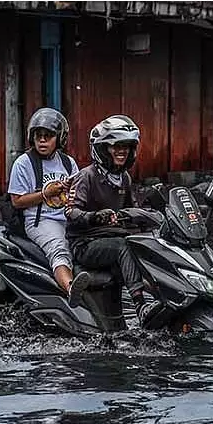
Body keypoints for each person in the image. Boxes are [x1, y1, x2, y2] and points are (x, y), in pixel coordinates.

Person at [65, 115, 159, 326]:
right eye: (116, 146)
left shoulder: (124, 178)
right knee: (124, 246)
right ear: (102, 149)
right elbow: (71, 212)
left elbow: (132, 211)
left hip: (111, 240)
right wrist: (94, 217)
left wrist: (151, 217)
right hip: (85, 244)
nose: (122, 151)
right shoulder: (86, 176)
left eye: (126, 146)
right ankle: (140, 306)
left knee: (144, 245)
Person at [8, 107, 79, 294]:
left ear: (60, 138)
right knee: (59, 247)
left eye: (48, 136)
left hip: (69, 219)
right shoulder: (23, 163)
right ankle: (71, 289)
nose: (42, 140)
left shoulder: (68, 163)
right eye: (38, 136)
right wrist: (46, 194)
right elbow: (17, 201)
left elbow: (79, 194)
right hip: (41, 221)